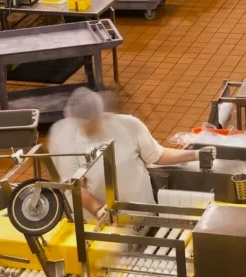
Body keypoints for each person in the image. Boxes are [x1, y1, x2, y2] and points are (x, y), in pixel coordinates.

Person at [48, 88, 211, 218]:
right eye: (83, 123)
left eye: (92, 121)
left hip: (141, 212)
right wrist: (97, 210)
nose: (88, 127)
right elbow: (73, 186)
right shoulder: (64, 137)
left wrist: (196, 155)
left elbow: (157, 155)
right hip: (97, 223)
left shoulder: (128, 124)